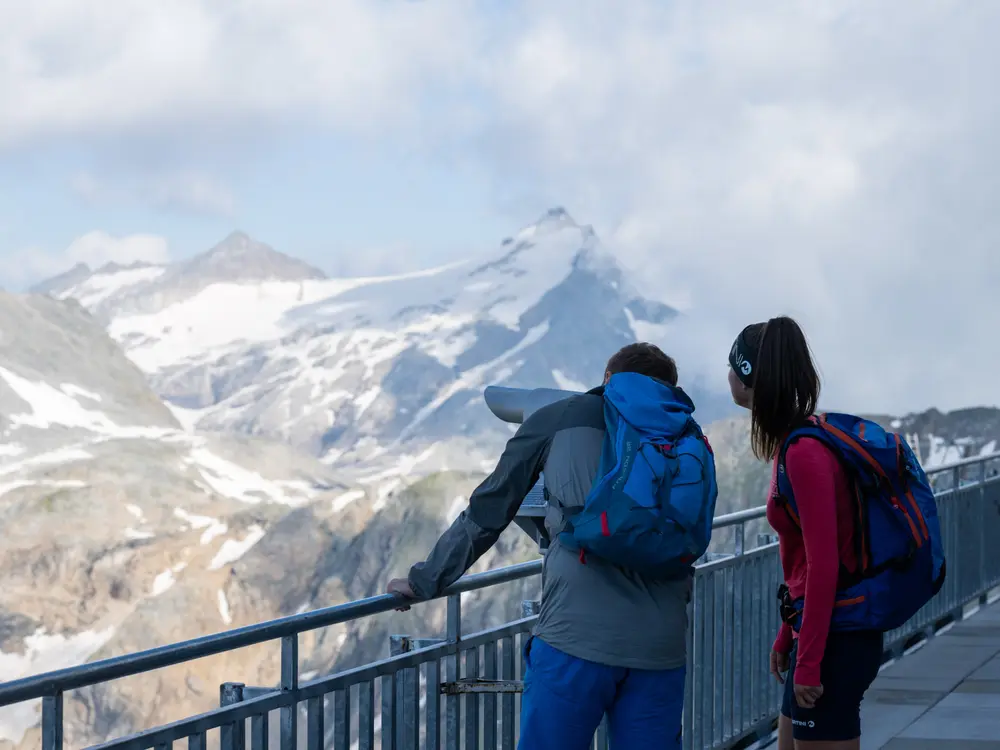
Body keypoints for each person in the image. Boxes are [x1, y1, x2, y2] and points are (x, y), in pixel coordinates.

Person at [387, 343, 713, 750]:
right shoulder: (685, 436)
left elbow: (489, 510)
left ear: (609, 379)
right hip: (660, 646)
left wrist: (425, 580)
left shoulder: (560, 417)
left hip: (574, 640)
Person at [727, 316, 883, 750]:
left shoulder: (803, 453)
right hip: (819, 635)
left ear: (748, 377)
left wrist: (809, 664)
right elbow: (803, 564)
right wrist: (788, 635)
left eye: (731, 365)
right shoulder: (793, 442)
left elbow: (825, 564)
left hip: (837, 641)